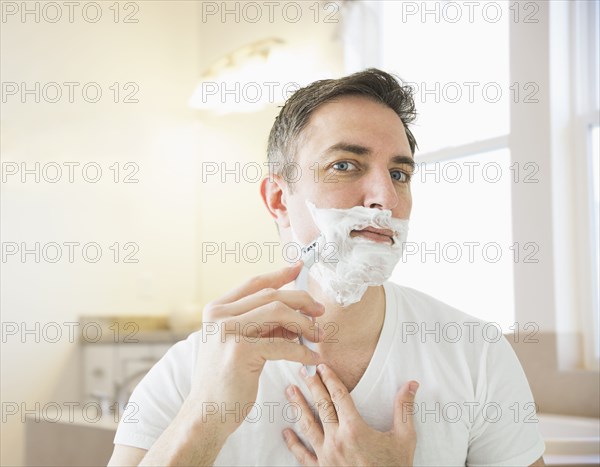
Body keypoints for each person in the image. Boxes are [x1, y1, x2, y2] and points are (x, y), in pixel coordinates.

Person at [108, 69, 546, 466]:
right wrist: (204, 417)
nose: (386, 198)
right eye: (344, 165)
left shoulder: (474, 352)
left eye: (399, 174)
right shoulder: (191, 368)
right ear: (279, 200)